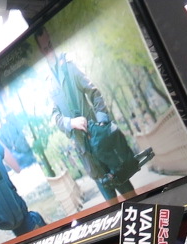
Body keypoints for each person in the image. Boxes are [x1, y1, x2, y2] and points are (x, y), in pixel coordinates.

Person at [41, 41, 138, 202]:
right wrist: (70, 123)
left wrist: (102, 123)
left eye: (49, 45)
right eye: (44, 48)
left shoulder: (70, 66)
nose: (48, 50)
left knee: (129, 194)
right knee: (111, 201)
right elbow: (55, 116)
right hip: (84, 149)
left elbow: (94, 93)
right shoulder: (48, 83)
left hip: (101, 138)